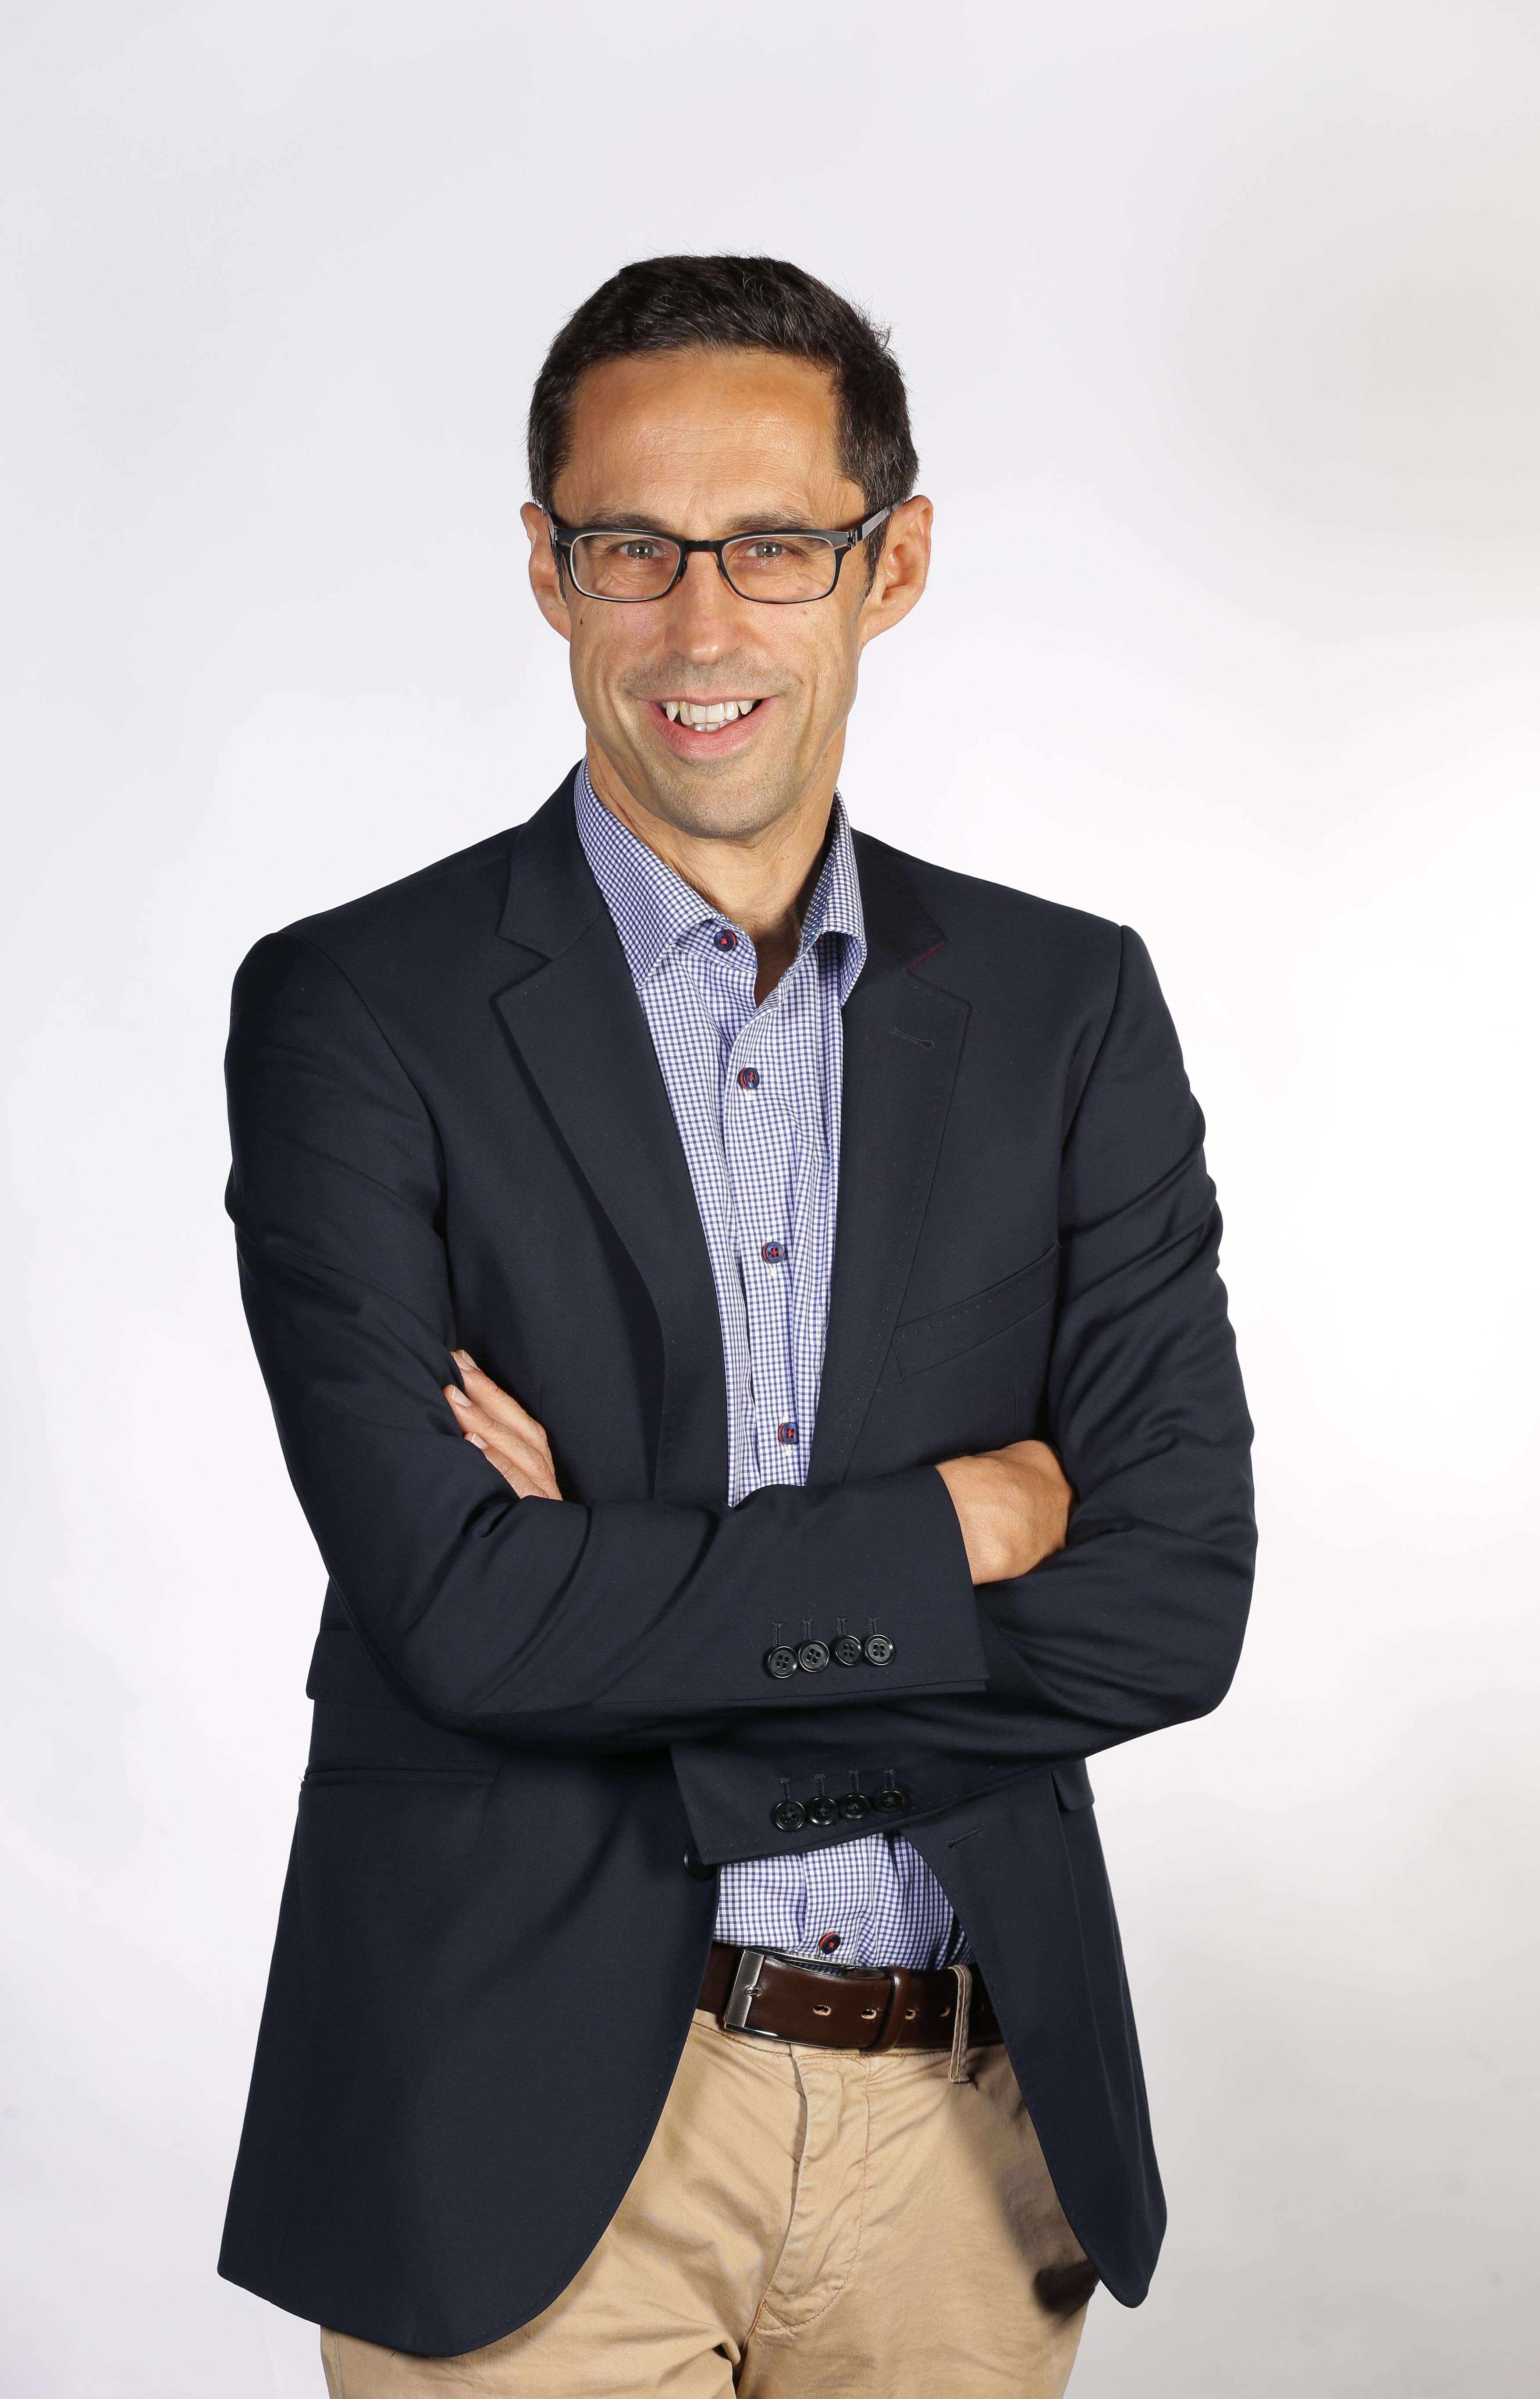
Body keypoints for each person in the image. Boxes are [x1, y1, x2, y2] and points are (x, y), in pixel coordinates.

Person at [217, 254, 1255, 2399]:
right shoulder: (356, 1014)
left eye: (775, 545)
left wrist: (620, 1627)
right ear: (548, 567)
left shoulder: (1068, 1010)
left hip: (966, 2142)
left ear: (892, 565)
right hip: (516, 2145)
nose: (703, 627)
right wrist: (956, 1526)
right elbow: (458, 1617)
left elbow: (1173, 1608)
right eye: (635, 548)